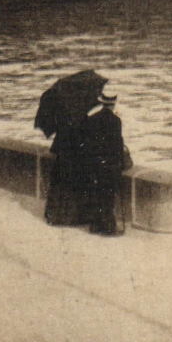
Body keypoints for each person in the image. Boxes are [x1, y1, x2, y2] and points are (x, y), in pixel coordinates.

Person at [73, 91, 131, 236]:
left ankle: (95, 225)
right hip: (110, 164)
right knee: (108, 196)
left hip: (94, 162)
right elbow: (117, 144)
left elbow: (86, 141)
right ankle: (108, 227)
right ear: (114, 103)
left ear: (102, 102)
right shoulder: (116, 121)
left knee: (96, 193)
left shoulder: (92, 118)